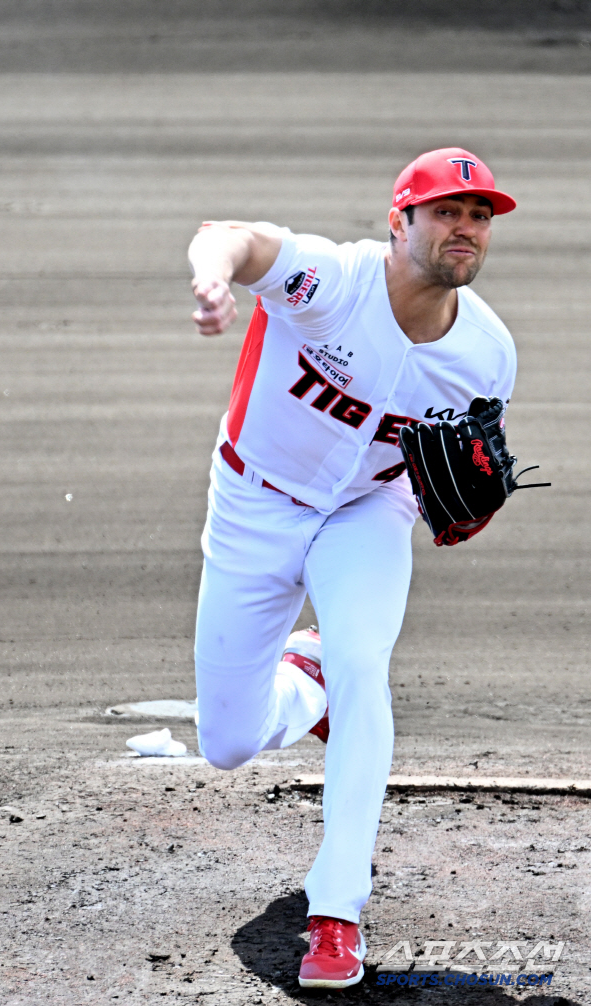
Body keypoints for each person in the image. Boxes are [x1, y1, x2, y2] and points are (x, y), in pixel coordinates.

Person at [187, 148, 517, 989]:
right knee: (226, 742)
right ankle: (309, 678)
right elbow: (232, 238)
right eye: (447, 211)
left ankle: (336, 916)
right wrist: (216, 281)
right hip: (255, 502)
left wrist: (463, 504)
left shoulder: (487, 354)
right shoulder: (332, 282)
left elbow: (457, 466)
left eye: (479, 216)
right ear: (400, 219)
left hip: (367, 514)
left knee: (365, 665)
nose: (465, 229)